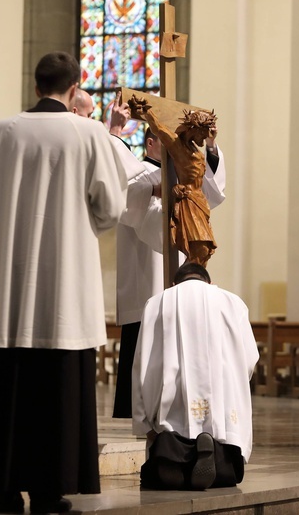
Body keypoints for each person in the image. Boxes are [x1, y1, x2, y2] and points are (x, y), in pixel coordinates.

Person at [0, 52, 143, 514]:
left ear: (36, 82)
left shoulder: (3, 131)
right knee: (55, 392)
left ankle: (4, 489)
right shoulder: (87, 133)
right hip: (64, 286)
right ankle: (48, 489)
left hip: (10, 286)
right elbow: (110, 206)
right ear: (74, 85)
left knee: (9, 387)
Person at [109, 93, 226, 419]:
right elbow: (128, 203)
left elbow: (212, 194)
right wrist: (117, 137)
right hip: (145, 275)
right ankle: (137, 407)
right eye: (168, 139)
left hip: (178, 273)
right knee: (144, 335)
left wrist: (211, 149)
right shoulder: (141, 173)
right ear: (151, 142)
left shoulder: (175, 174)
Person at [132, 263, 259, 490]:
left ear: (174, 284)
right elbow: (249, 361)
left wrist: (145, 419)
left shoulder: (158, 302)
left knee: (163, 451)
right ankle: (214, 453)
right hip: (222, 411)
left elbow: (143, 363)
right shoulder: (233, 302)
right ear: (209, 283)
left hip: (171, 411)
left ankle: (174, 461)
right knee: (227, 464)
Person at [128, 95, 219, 266]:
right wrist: (147, 113)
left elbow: (212, 186)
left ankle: (193, 277)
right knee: (199, 248)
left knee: (204, 250)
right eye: (203, 133)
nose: (204, 138)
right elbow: (160, 129)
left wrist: (211, 142)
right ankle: (191, 277)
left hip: (199, 202)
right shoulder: (177, 148)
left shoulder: (193, 148)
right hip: (189, 201)